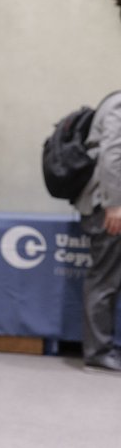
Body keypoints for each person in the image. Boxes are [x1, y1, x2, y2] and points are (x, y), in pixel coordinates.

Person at [74, 91, 121, 372]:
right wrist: (115, 205)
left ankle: (101, 349)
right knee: (104, 280)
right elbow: (112, 155)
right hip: (108, 209)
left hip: (109, 205)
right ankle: (98, 353)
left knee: (108, 279)